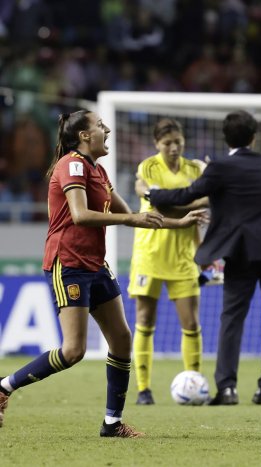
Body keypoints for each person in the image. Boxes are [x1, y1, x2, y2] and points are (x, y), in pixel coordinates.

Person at [0, 110, 204, 437]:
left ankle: (112, 423)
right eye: (99, 126)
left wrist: (179, 223)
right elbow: (80, 215)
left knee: (122, 340)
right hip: (68, 264)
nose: (106, 129)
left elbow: (137, 215)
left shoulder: (98, 171)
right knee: (73, 351)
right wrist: (131, 221)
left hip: (95, 265)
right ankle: (4, 387)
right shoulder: (72, 164)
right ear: (83, 136)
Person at [144, 110, 261, 406]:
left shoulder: (220, 167)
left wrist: (152, 194)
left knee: (232, 319)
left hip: (242, 251)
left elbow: (187, 194)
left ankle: (227, 388)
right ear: (254, 137)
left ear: (224, 138)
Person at [129, 118, 207, 405]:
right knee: (145, 320)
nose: (174, 148)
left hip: (183, 256)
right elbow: (159, 204)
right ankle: (143, 389)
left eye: (178, 143)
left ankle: (194, 383)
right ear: (156, 144)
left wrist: (202, 253)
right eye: (167, 143)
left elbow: (204, 203)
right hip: (150, 254)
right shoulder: (148, 167)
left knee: (191, 323)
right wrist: (194, 202)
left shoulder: (193, 168)